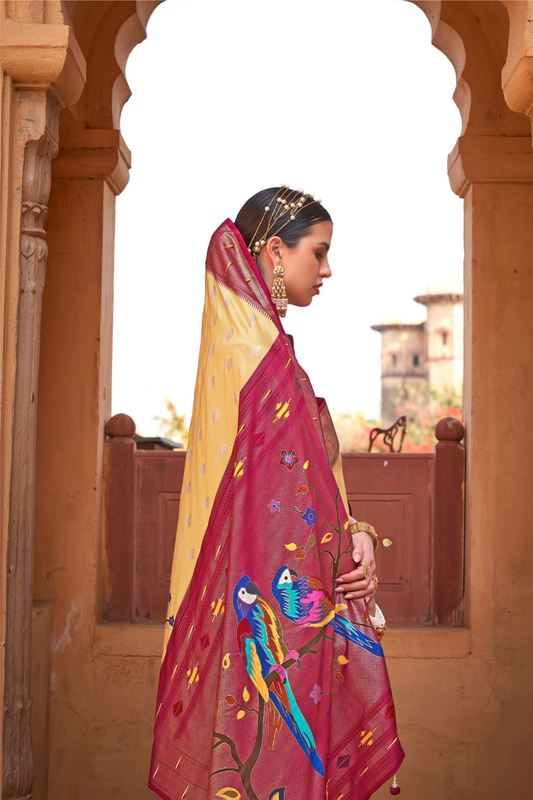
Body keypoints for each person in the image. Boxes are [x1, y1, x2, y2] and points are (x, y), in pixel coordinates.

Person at [149, 187, 404, 800]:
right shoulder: (257, 355)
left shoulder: (263, 348)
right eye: (317, 253)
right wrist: (344, 551)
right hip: (276, 612)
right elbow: (277, 508)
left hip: (289, 599)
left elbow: (306, 487)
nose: (327, 269)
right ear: (273, 251)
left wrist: (358, 539)